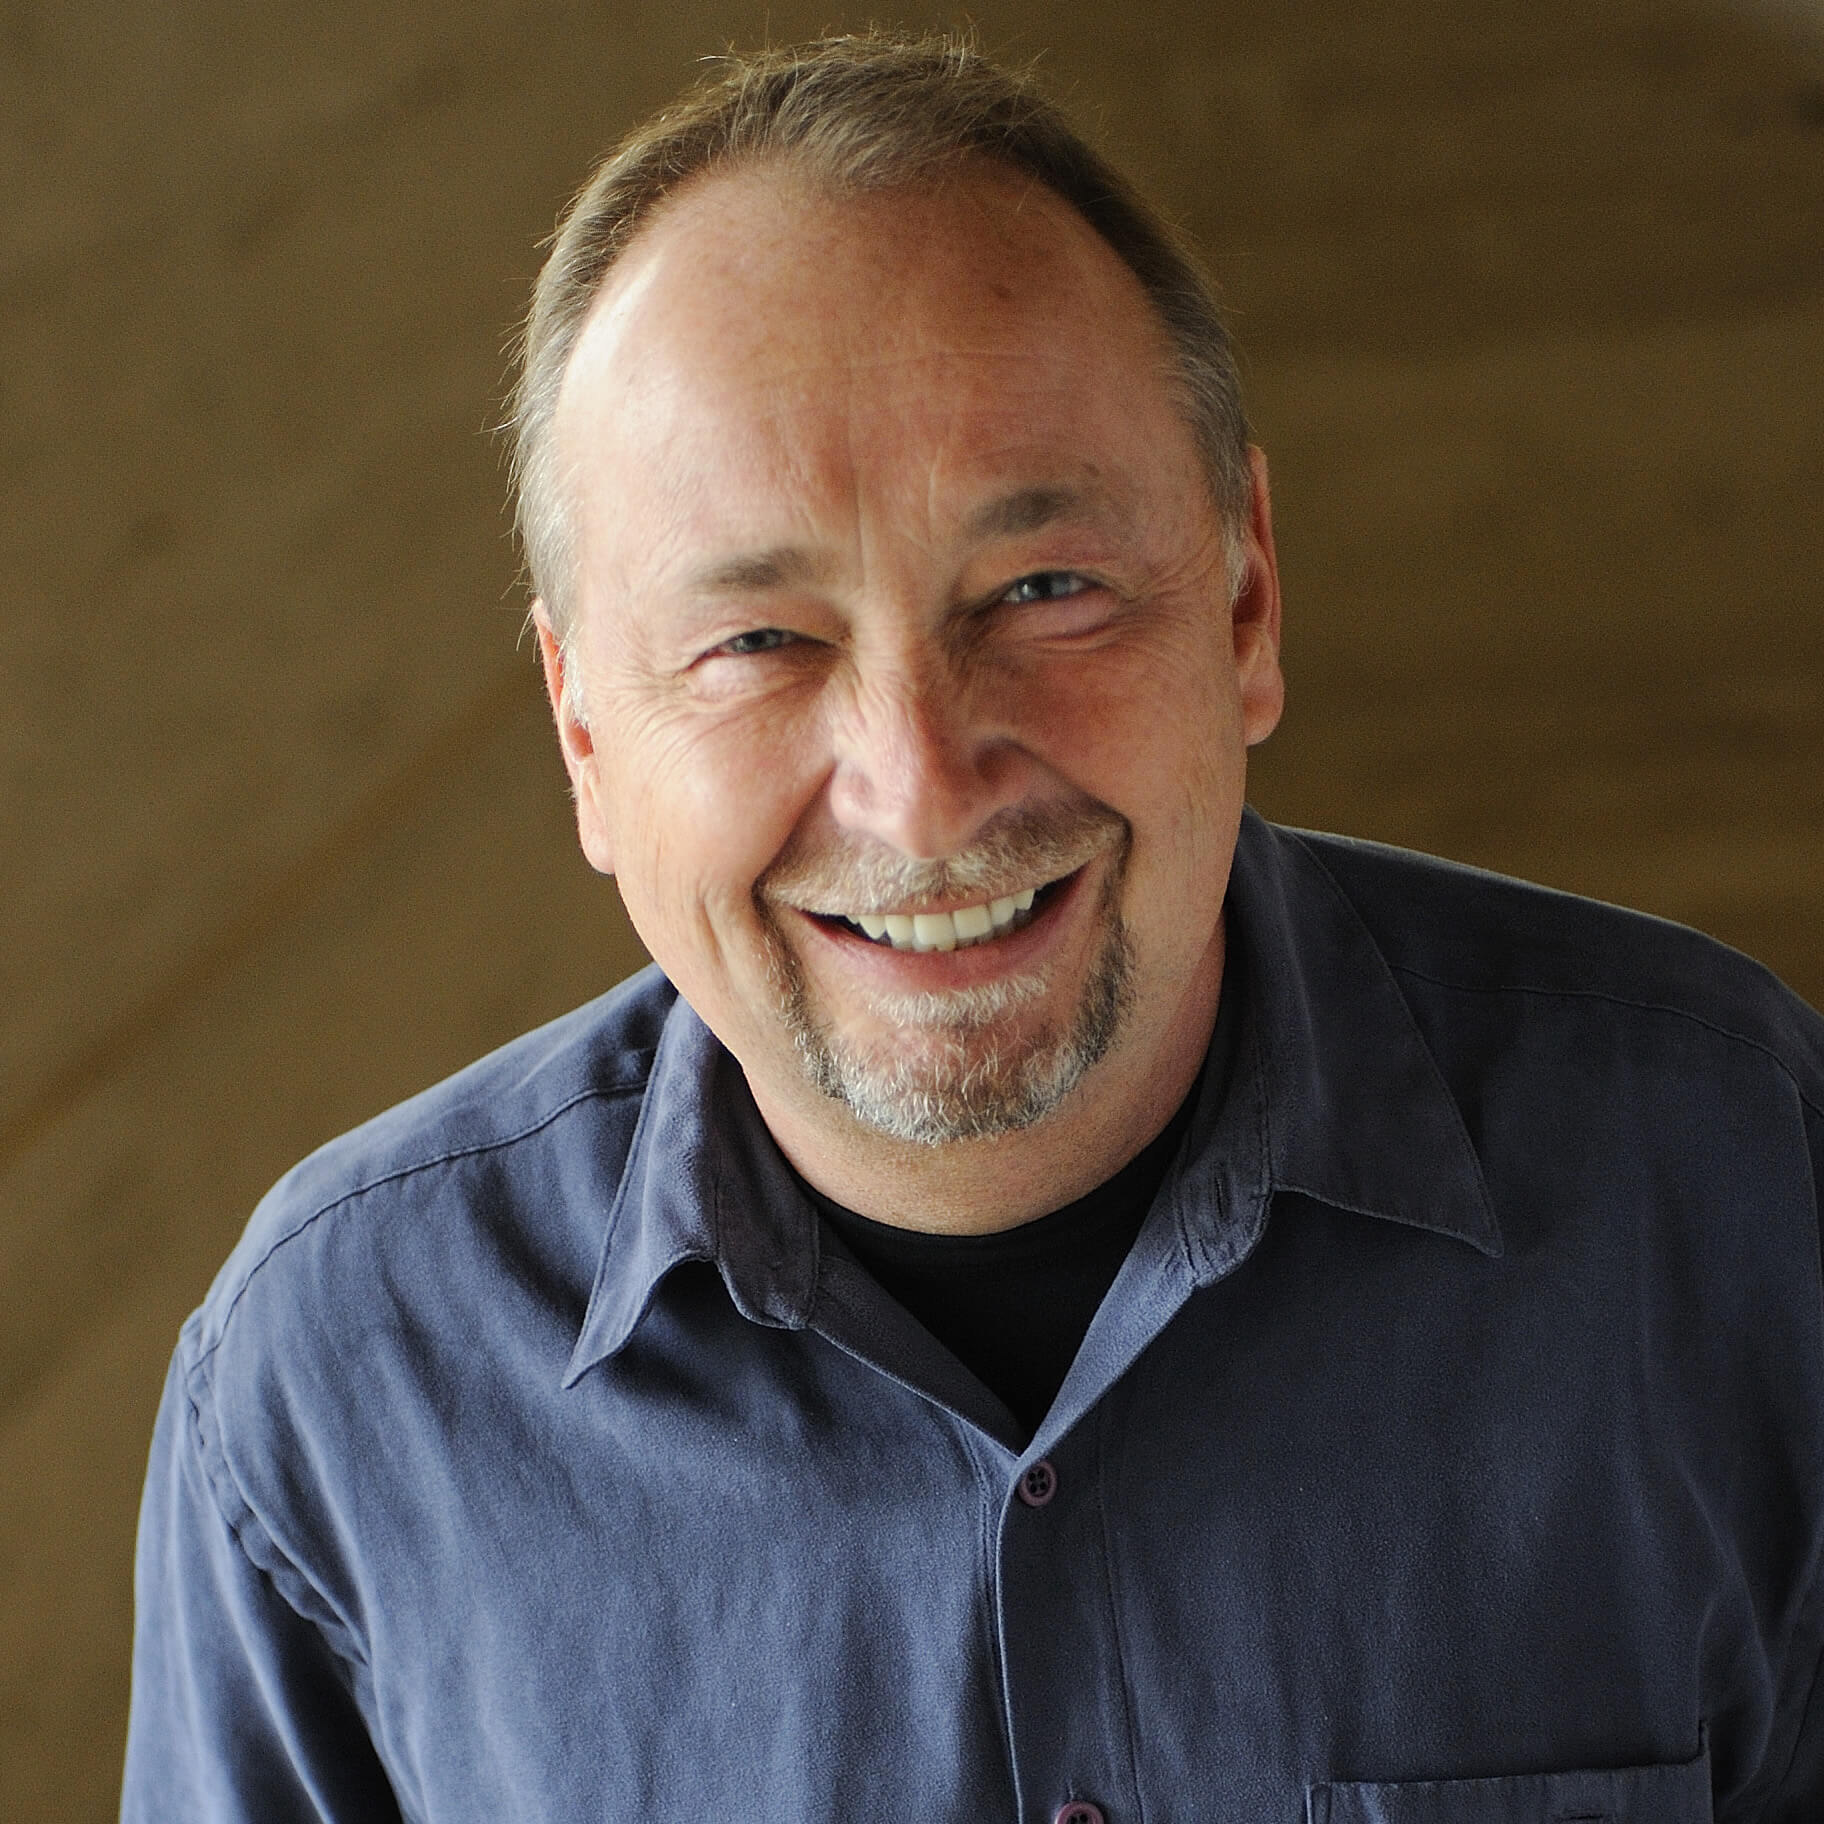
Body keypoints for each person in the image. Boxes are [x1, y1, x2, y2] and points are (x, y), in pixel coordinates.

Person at [123, 32, 1824, 1823]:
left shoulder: (1741, 1187)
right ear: (586, 737)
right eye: (760, 642)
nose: (920, 788)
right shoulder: (330, 1389)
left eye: (1042, 589)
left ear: (1243, 599)